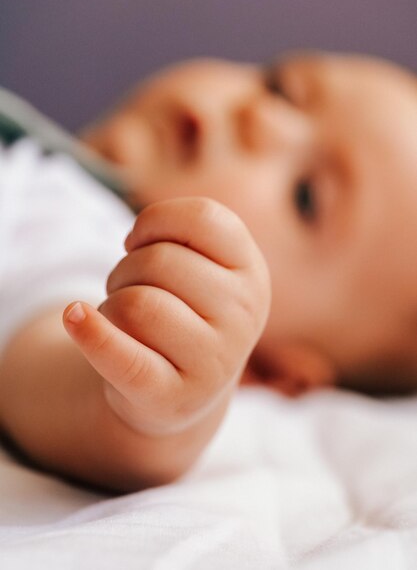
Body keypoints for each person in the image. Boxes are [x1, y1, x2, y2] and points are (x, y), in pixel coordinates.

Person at [0, 50, 417, 493]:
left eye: (306, 196)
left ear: (269, 369)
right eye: (280, 88)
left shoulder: (96, 250)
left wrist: (156, 410)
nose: (259, 117)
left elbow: (61, 371)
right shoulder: (47, 165)